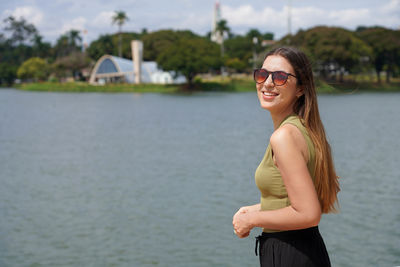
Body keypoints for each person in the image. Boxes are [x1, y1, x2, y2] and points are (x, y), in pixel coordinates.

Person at [232, 47, 340, 267]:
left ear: (300, 88)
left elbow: (309, 213)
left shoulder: (284, 137)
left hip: (290, 253)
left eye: (280, 77)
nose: (268, 83)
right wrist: (255, 208)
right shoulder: (304, 130)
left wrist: (251, 220)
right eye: (262, 74)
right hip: (302, 249)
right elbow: (293, 199)